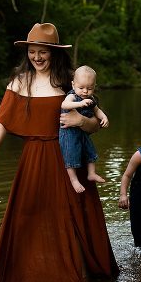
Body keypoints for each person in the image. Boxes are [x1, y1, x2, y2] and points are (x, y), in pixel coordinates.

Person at [0, 22, 118, 282]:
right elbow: (2, 120)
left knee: (74, 215)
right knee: (30, 215)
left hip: (70, 157)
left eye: (43, 51)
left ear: (54, 52)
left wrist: (79, 120)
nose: (37, 57)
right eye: (32, 51)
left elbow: (92, 126)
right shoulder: (20, 81)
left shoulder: (70, 81)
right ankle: (30, 276)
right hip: (35, 159)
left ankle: (80, 275)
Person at [59, 65, 109, 193]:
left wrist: (104, 118)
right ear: (73, 85)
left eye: (89, 88)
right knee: (71, 155)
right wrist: (79, 104)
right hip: (69, 134)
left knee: (90, 152)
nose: (85, 91)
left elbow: (97, 110)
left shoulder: (90, 99)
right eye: (81, 88)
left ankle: (91, 173)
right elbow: (64, 104)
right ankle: (74, 180)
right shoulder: (72, 96)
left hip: (83, 134)